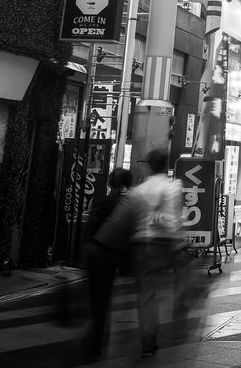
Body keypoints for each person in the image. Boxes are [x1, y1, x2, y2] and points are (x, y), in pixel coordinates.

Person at [127, 149, 183, 357]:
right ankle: (157, 334)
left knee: (146, 294)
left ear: (150, 165)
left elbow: (130, 220)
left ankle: (148, 341)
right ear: (166, 164)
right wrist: (178, 246)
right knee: (164, 291)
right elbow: (175, 220)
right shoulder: (173, 188)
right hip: (164, 244)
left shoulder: (138, 191)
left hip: (142, 244)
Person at [82, 167, 133, 358]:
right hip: (115, 256)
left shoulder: (103, 201)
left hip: (97, 254)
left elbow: (91, 227)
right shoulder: (128, 203)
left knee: (97, 297)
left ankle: (96, 337)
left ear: (111, 182)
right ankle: (102, 332)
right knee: (105, 294)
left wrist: (85, 247)